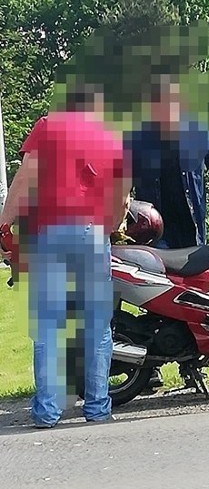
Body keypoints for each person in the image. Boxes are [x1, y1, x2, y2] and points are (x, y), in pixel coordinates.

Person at [0, 84, 130, 428]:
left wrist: (4, 223)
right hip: (93, 235)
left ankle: (47, 411)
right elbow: (122, 192)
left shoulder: (47, 127)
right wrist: (112, 225)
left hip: (50, 232)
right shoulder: (111, 138)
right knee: (98, 326)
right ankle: (98, 408)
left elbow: (26, 176)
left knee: (48, 325)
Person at [125, 75, 209, 389]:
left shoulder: (196, 130)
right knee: (151, 296)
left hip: (190, 230)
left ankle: (192, 360)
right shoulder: (137, 137)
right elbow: (119, 175)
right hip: (152, 232)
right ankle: (148, 364)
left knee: (192, 296)